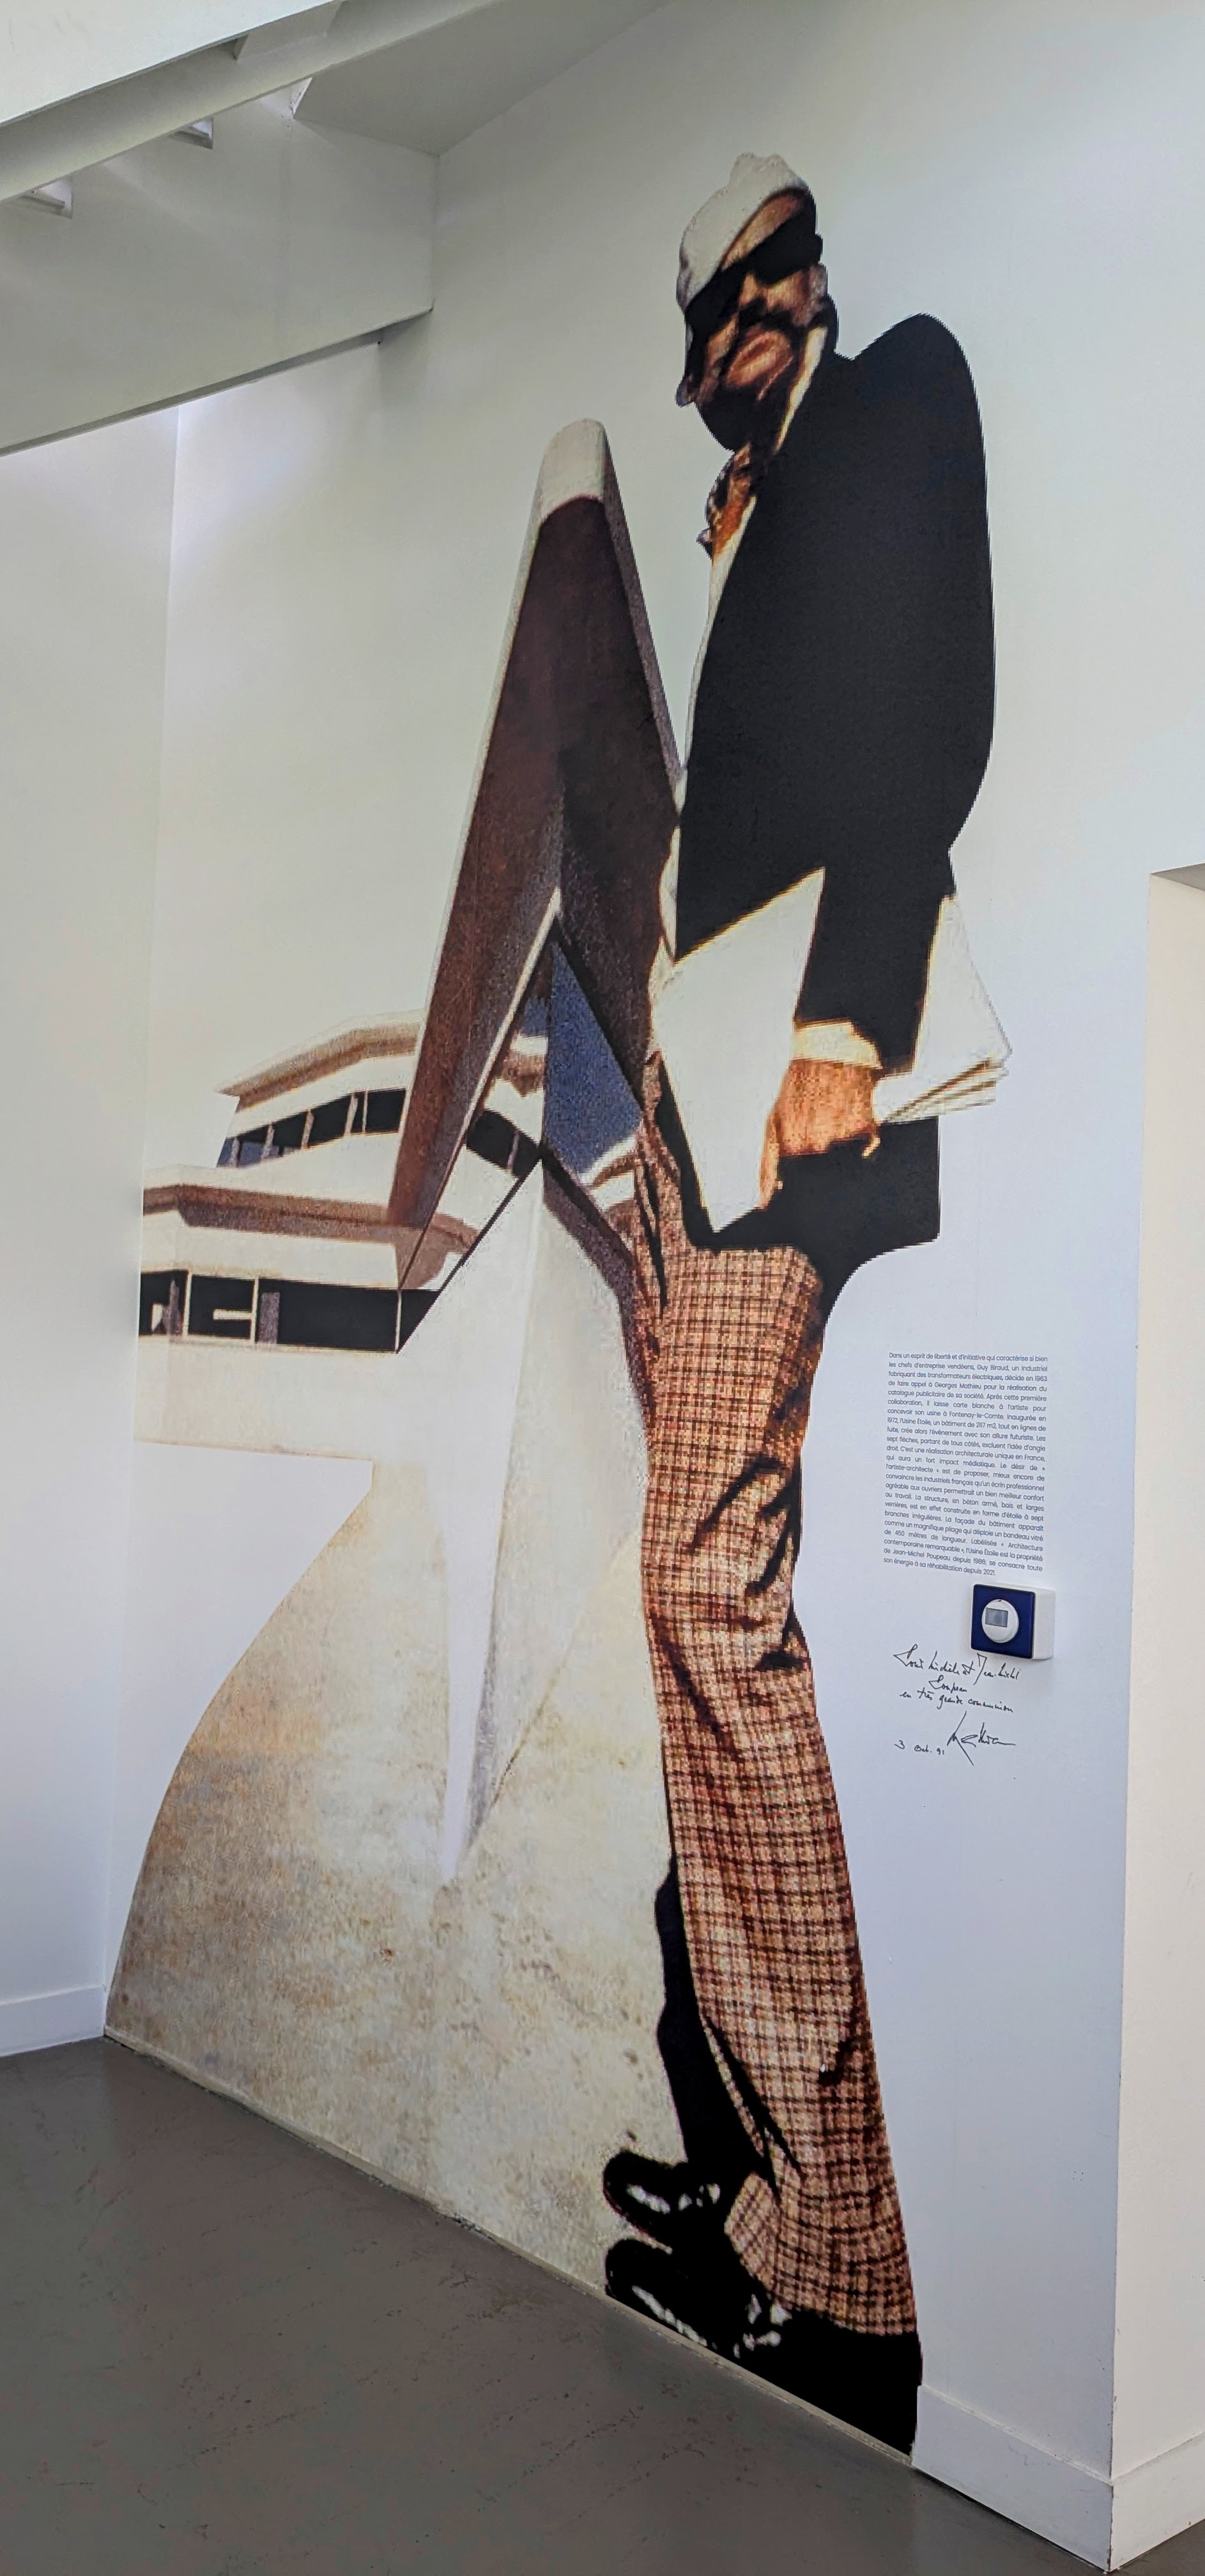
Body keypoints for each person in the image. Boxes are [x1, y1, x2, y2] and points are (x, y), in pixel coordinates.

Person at [602, 155, 995, 2453]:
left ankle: (842, 2268)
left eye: (740, 316)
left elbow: (931, 705)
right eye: (701, 343)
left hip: (795, 1094)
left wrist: (849, 1013)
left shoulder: (902, 390)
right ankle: (752, 2164)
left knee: (703, 1593)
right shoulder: (762, 498)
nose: (720, 365)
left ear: (804, 276)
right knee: (691, 1614)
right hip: (702, 1106)